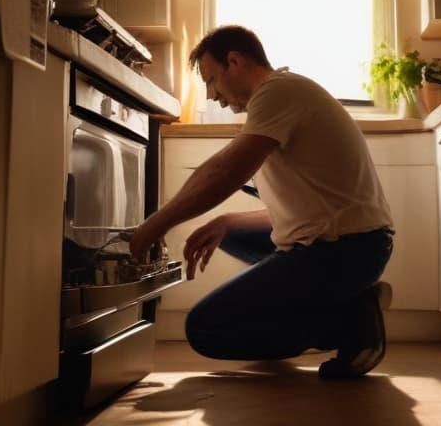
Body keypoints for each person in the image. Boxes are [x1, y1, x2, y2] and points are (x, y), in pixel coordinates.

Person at [129, 25, 394, 378]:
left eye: (211, 80)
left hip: (345, 252)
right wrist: (227, 222)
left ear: (234, 61)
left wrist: (156, 224)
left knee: (205, 330)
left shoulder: (277, 92)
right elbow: (305, 210)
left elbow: (225, 172)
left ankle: (349, 321)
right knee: (230, 232)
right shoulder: (283, 97)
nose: (212, 96)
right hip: (353, 245)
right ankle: (351, 298)